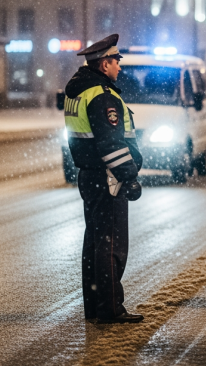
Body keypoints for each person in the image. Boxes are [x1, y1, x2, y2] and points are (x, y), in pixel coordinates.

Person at [64, 34, 144, 323]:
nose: (120, 67)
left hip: (90, 175)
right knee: (111, 245)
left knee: (96, 243)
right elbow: (110, 144)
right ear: (104, 63)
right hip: (108, 177)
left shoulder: (78, 91)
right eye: (116, 62)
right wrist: (129, 177)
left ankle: (96, 306)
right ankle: (110, 308)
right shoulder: (101, 96)